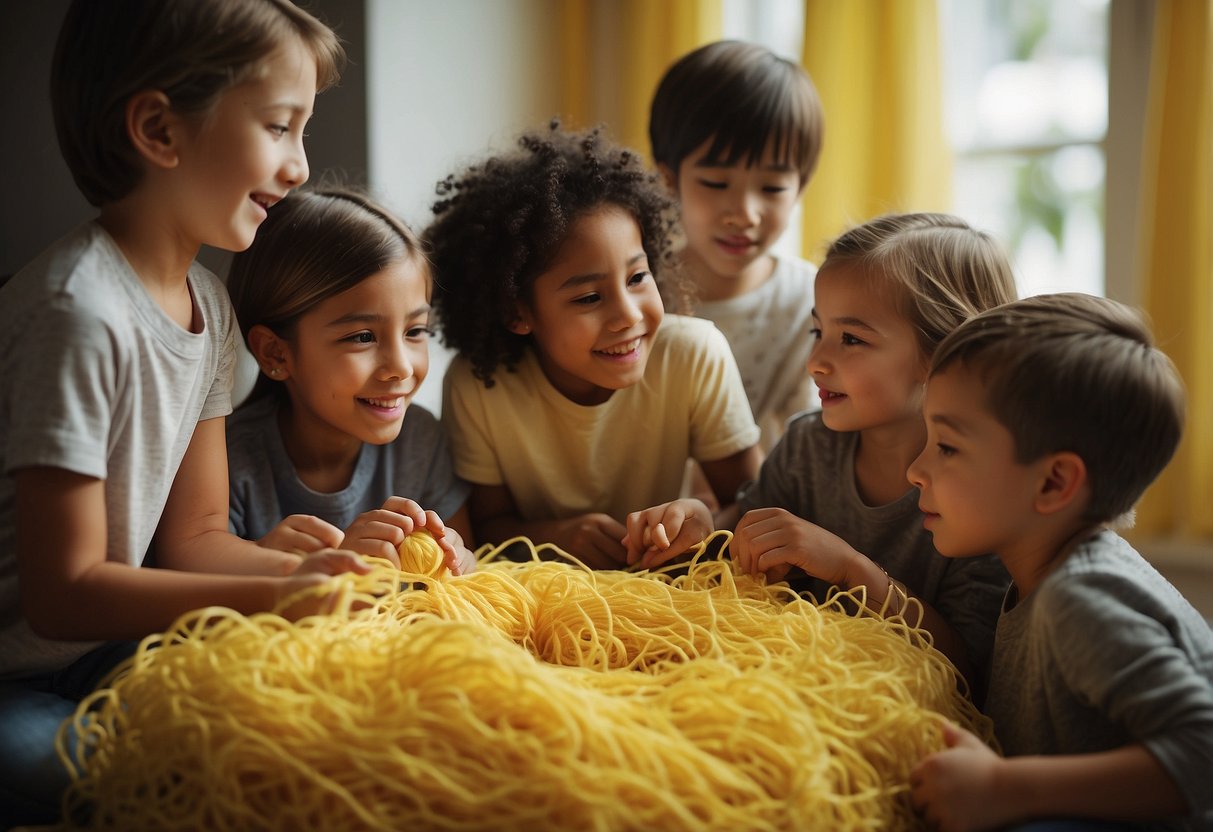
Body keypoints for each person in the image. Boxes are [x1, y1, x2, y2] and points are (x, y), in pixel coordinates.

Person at [0, 2, 357, 825]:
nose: (301, 166)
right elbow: (60, 594)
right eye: (279, 127)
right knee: (105, 772)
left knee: (290, 720)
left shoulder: (209, 303)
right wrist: (270, 600)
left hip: (111, 653)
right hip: (15, 675)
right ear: (160, 131)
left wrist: (324, 582)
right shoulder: (76, 313)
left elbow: (192, 538)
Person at [908, 293, 1212, 832]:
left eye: (947, 447)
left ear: (1053, 482)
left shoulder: (1081, 597)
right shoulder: (1034, 571)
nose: (915, 469)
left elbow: (1203, 751)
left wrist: (1004, 788)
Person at [425, 122, 762, 570]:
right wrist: (555, 536)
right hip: (545, 596)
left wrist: (702, 520)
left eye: (637, 277)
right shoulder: (478, 386)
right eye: (588, 297)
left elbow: (755, 507)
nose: (628, 315)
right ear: (516, 312)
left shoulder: (695, 354)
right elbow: (482, 530)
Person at [724, 213, 1018, 689]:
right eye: (817, 332)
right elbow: (736, 550)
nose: (816, 362)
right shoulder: (807, 447)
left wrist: (849, 568)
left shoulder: (981, 496)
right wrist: (700, 526)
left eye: (853, 339)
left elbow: (969, 672)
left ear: (942, 354)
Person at [225, 187, 476, 575]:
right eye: (362, 337)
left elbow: (470, 577)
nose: (401, 368)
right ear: (276, 353)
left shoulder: (420, 440)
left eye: (415, 331)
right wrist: (273, 563)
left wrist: (458, 559)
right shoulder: (228, 461)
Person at [649, 39, 824, 453]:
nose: (744, 213)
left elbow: (815, 444)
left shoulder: (814, 302)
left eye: (772, 187)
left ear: (800, 188)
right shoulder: (638, 291)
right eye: (715, 183)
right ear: (670, 179)